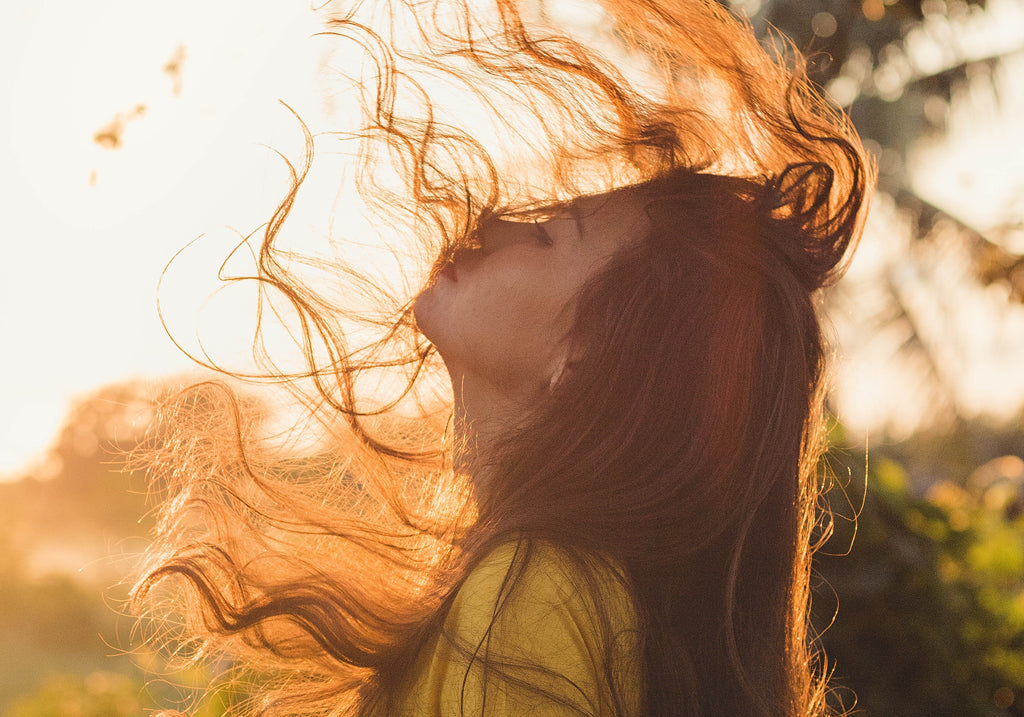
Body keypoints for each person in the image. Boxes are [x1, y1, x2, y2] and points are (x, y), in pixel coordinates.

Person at [131, 0, 874, 715]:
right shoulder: (571, 590)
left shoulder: (536, 593)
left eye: (552, 232)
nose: (496, 225)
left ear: (583, 359)